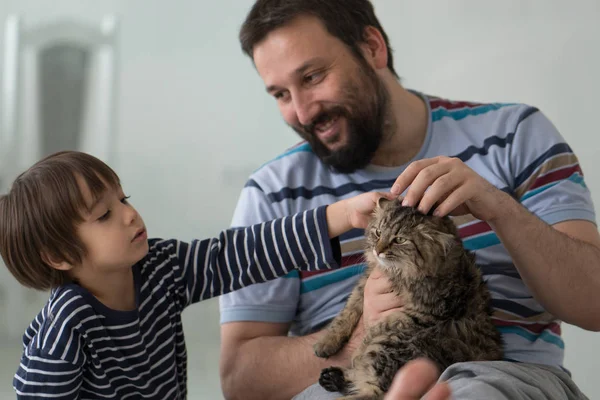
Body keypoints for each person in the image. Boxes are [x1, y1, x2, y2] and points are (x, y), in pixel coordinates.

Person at [218, 1, 600, 399]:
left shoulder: (516, 135)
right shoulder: (270, 193)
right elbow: (240, 381)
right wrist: (360, 334)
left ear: (372, 47)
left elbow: (594, 303)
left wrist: (500, 210)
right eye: (280, 94)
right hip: (347, 383)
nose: (301, 111)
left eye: (313, 77)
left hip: (496, 377)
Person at [0, 150, 389, 399]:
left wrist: (341, 215)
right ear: (56, 255)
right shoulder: (68, 322)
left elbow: (239, 254)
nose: (129, 214)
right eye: (103, 215)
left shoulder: (162, 267)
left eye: (123, 199)